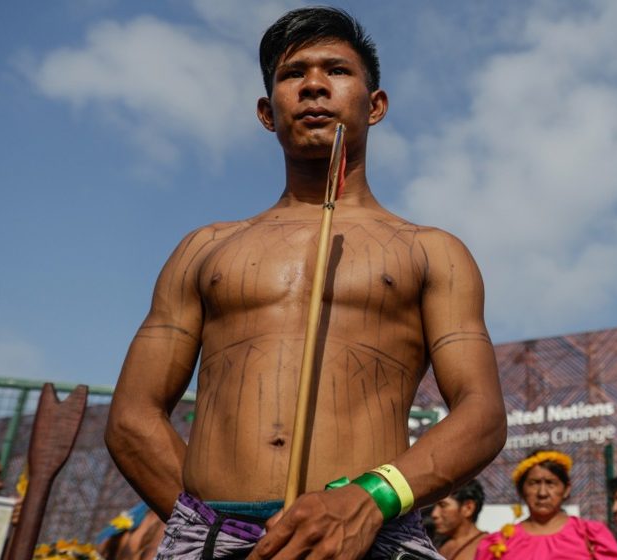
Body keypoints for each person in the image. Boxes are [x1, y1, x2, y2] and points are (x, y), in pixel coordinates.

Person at [105, 6, 506, 559]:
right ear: (268, 112)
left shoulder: (433, 251)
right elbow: (131, 416)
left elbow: (481, 413)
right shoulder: (204, 249)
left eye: (337, 71)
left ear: (377, 104)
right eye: (293, 74)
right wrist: (212, 524)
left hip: (374, 536)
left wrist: (370, 500)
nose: (314, 85)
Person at [475, 450, 617, 559]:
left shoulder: (590, 535)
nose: (542, 493)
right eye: (534, 483)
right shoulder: (500, 543)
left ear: (566, 489)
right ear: (521, 490)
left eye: (551, 483)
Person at [432, 479, 487, 560]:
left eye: (443, 505)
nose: (434, 514)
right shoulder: (435, 544)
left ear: (468, 508)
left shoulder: (490, 548)